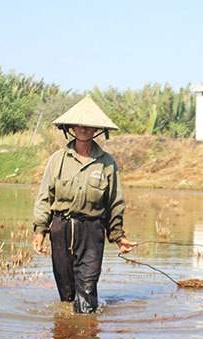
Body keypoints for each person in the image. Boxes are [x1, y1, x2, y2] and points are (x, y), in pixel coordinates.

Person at [32, 95, 135, 313]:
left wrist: (117, 235)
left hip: (92, 230)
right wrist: (40, 230)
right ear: (71, 127)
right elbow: (45, 197)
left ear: (96, 129)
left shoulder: (106, 162)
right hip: (61, 229)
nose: (83, 128)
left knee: (87, 291)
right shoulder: (57, 159)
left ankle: (87, 337)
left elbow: (115, 201)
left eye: (88, 125)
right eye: (78, 124)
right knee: (67, 294)